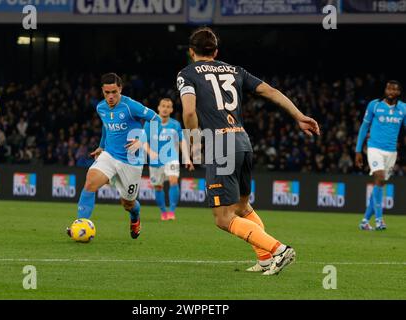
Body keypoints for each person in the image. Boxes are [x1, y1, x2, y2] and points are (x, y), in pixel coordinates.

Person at [177, 27, 320, 275]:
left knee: (223, 217)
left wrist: (192, 142)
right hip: (242, 141)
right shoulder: (235, 70)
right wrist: (298, 115)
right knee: (243, 208)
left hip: (220, 144)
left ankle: (279, 249)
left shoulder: (187, 74)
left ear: (191, 52)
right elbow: (272, 92)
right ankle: (266, 259)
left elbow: (189, 112)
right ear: (216, 51)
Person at [67, 73, 160, 239]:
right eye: (107, 92)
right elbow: (106, 126)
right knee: (89, 183)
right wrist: (102, 146)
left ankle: (135, 217)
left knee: (128, 204)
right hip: (109, 155)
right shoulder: (101, 107)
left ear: (120, 89)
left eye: (114, 92)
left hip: (132, 161)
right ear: (102, 91)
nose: (110, 96)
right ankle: (80, 224)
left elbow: (156, 118)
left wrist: (142, 139)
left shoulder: (130, 106)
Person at [355, 80, 406, 231]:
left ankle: (365, 221)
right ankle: (379, 220)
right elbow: (364, 127)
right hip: (374, 148)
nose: (391, 91)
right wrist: (358, 150)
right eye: (389, 88)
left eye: (394, 89)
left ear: (399, 92)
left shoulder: (403, 108)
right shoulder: (374, 105)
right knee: (379, 178)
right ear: (385, 90)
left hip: (391, 152)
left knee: (380, 184)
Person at [143, 98, 194, 221]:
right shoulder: (150, 123)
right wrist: (150, 152)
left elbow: (182, 142)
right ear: (159, 108)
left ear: (171, 109)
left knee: (173, 181)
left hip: (171, 158)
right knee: (158, 187)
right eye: (163, 106)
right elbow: (143, 141)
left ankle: (171, 211)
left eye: (168, 106)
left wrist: (187, 158)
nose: (165, 108)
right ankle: (163, 212)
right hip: (155, 161)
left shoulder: (175, 124)